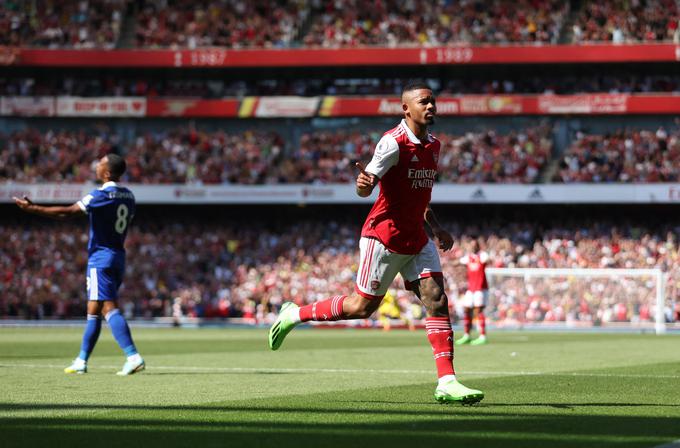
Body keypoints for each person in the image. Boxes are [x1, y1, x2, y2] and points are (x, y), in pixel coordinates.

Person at [268, 81, 484, 405]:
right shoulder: (391, 143)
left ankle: (447, 381)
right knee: (361, 307)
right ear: (405, 109)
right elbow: (365, 188)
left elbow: (420, 197)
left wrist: (436, 228)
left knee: (437, 299)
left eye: (433, 102)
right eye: (424, 102)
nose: (430, 107)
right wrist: (363, 184)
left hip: (417, 236)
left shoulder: (434, 146)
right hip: (383, 236)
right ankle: (293, 314)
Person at [14, 154, 145, 376]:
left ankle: (133, 356)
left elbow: (68, 212)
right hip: (117, 256)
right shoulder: (129, 196)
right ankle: (82, 361)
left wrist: (33, 209)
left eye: (100, 164)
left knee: (108, 307)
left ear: (107, 172)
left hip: (100, 258)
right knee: (94, 309)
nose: (96, 166)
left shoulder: (100, 195)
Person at [455, 239, 490, 346]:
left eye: (475, 245)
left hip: (481, 288)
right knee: (466, 309)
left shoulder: (482, 256)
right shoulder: (468, 257)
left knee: (479, 310)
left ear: (478, 246)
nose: (473, 247)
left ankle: (482, 336)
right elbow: (459, 262)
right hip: (471, 289)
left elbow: (487, 260)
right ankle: (467, 335)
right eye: (472, 245)